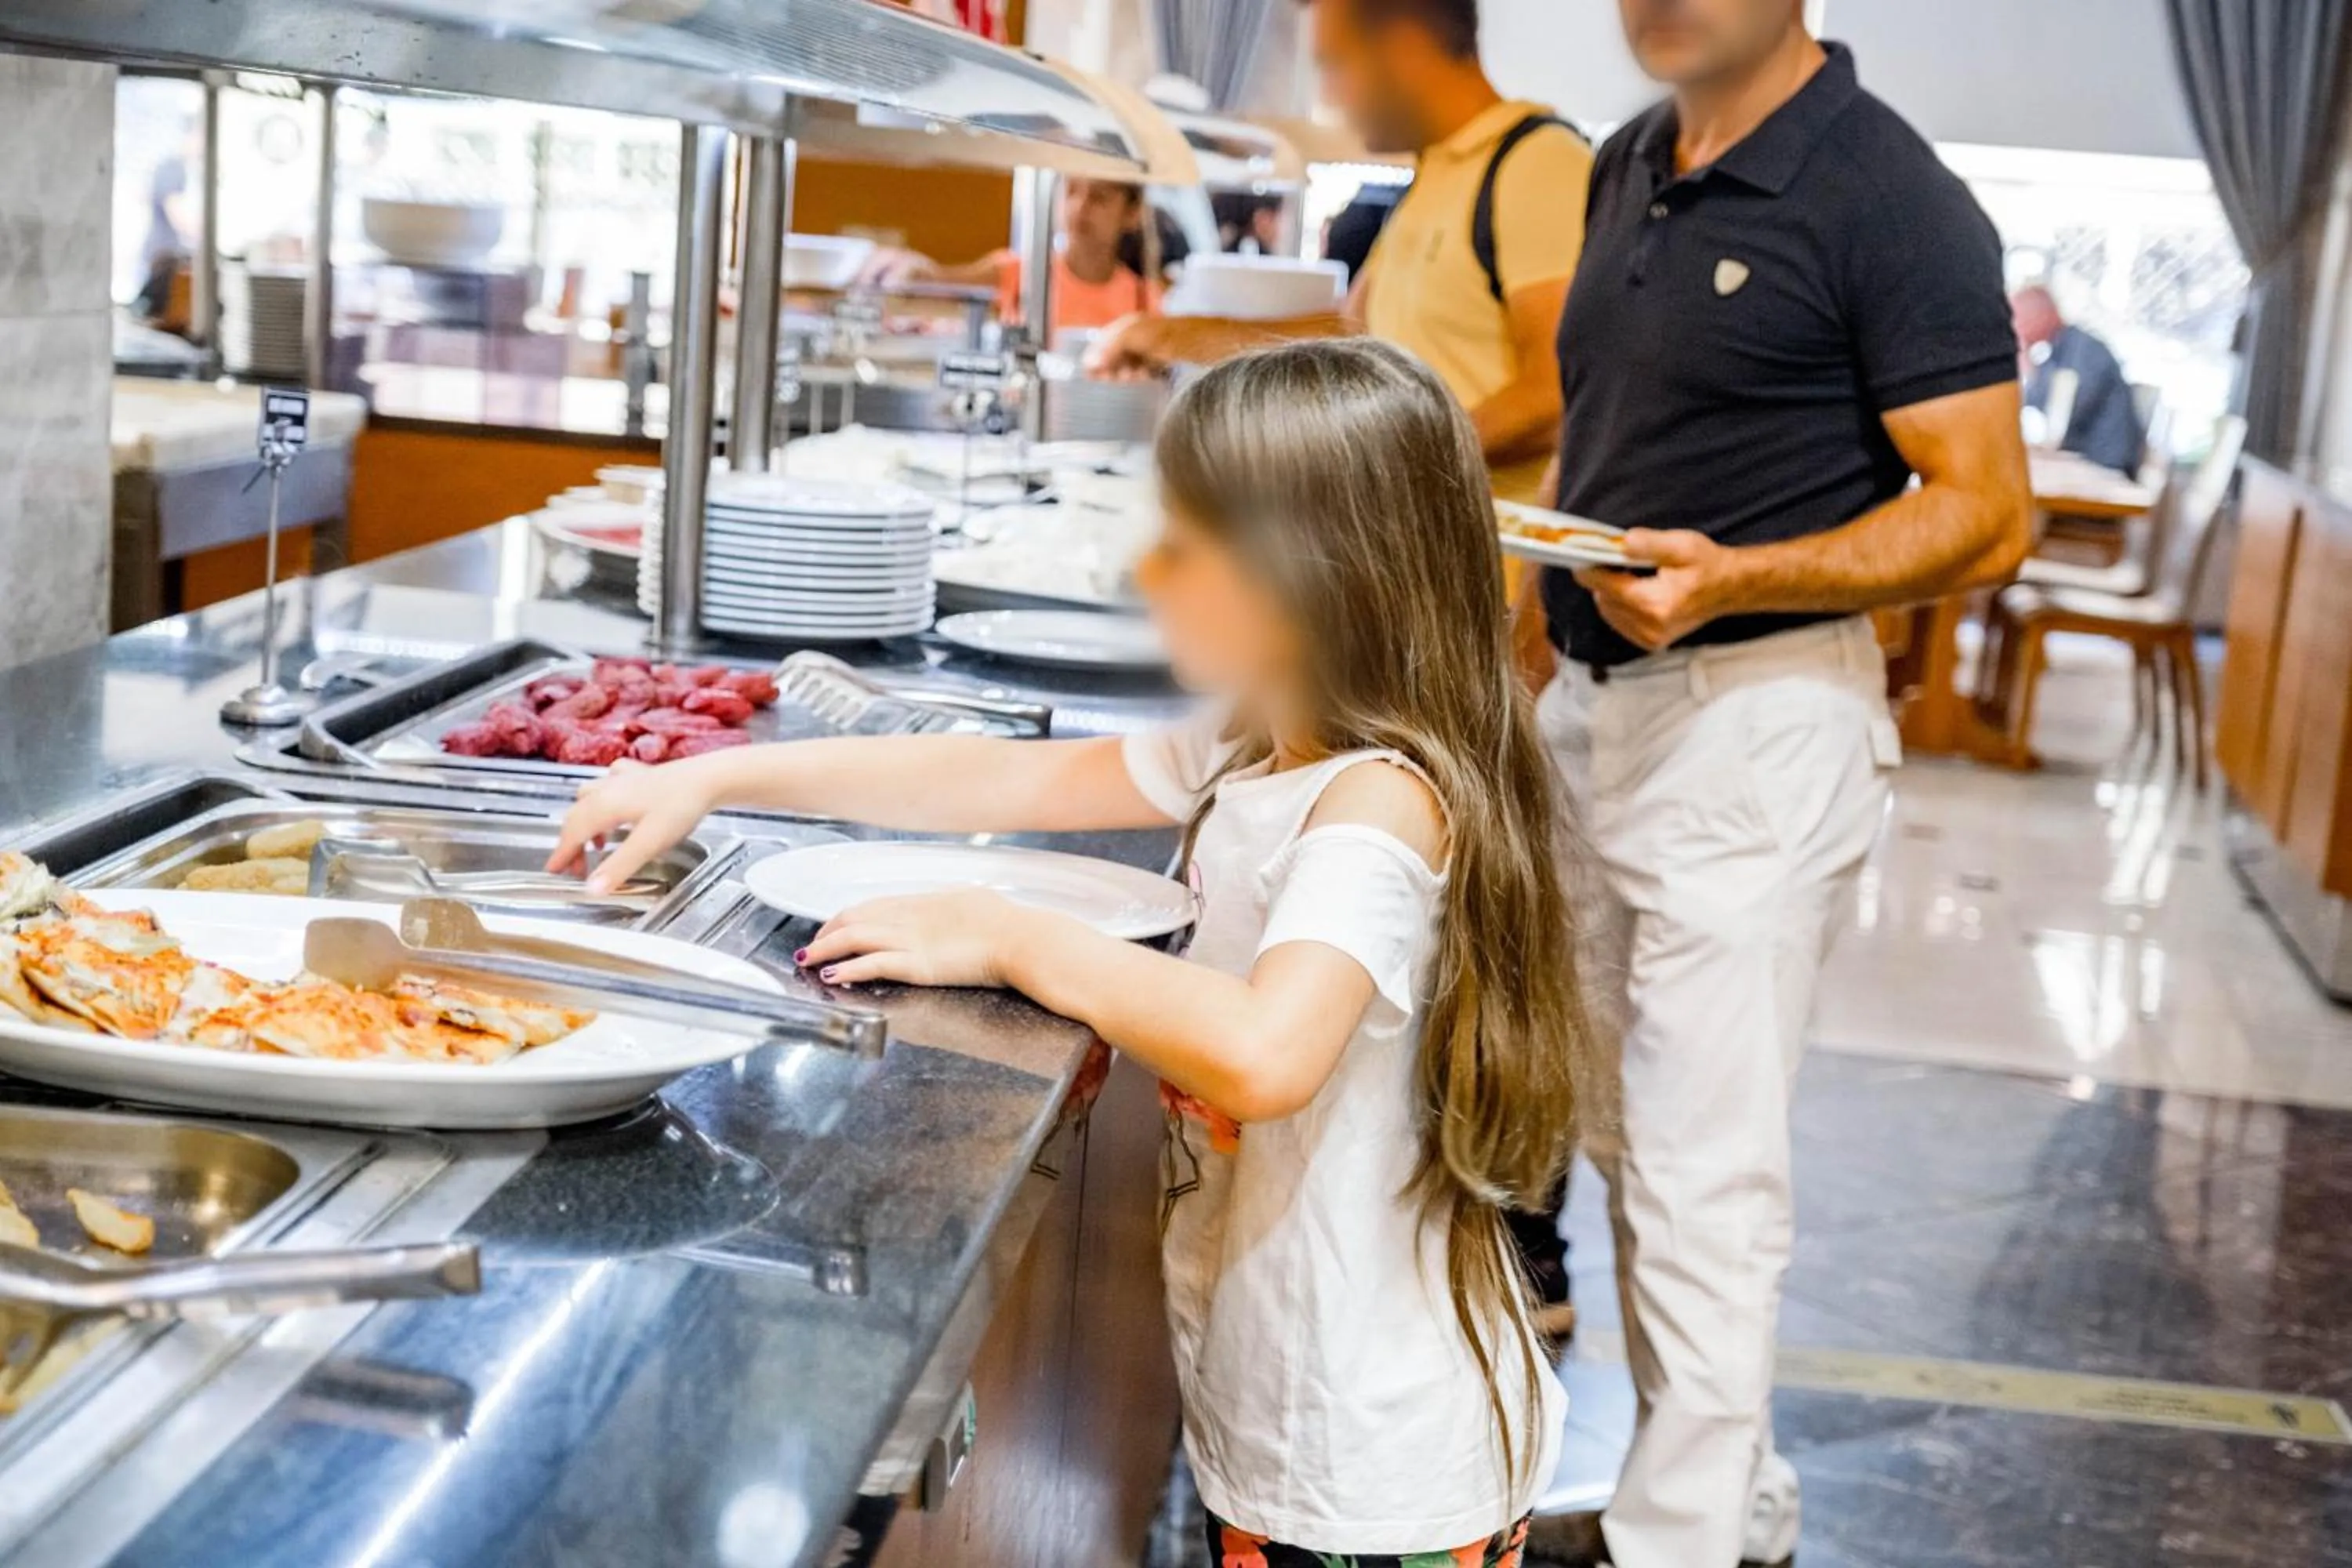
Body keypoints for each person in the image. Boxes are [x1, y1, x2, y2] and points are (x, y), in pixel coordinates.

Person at [551, 341, 1591, 1568]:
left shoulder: (1376, 803)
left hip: (1371, 1458)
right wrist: (719, 774)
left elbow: (1268, 1055)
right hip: (1293, 1408)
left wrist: (1011, 935)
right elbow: (999, 774)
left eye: (1186, 544)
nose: (1147, 572)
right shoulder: (1265, 744)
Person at [1523, 5, 2033, 1566]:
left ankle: (1674, 1543)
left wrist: (1736, 580)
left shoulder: (1894, 195)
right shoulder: (1630, 163)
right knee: (1625, 1139)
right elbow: (1606, 444)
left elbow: (1987, 511)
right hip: (1597, 713)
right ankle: (1722, 1499)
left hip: (1757, 722)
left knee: (1699, 1167)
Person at [1088, 0, 1591, 508]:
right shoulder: (1434, 174)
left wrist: (1377, 462)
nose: (1328, 97)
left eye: (1333, 67)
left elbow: (1554, 399)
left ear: (1404, 48)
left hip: (1480, 565)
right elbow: (1351, 334)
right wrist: (1172, 335)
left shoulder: (1537, 164)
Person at [855, 177, 1160, 342]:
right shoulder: (1019, 272)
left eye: (1100, 198)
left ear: (1132, 214)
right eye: (1071, 192)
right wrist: (904, 266)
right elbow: (935, 280)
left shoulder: (1145, 300)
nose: (1079, 208)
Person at [2013, 284, 2149, 475]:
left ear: (2042, 315)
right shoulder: (2054, 355)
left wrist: (2025, 362)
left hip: (2106, 465)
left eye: (2019, 319)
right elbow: (2033, 404)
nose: (2015, 328)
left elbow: (2065, 414)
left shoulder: (2085, 351)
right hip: (2084, 462)